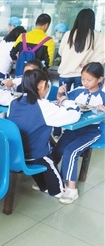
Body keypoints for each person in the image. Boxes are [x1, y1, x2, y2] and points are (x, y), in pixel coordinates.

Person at [7, 69, 80, 198]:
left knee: (45, 151)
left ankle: (43, 186)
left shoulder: (14, 103)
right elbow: (74, 116)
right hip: (35, 155)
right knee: (57, 184)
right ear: (41, 85)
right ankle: (54, 189)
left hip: (14, 154)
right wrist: (66, 102)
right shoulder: (44, 107)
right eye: (47, 85)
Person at [53, 62, 105, 204]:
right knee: (58, 148)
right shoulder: (78, 91)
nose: (85, 83)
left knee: (71, 151)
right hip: (74, 129)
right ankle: (50, 179)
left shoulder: (103, 95)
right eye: (83, 79)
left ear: (99, 79)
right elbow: (63, 102)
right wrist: (61, 94)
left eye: (89, 80)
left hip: (92, 131)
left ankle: (71, 189)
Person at [58, 9, 105, 92]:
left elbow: (61, 52)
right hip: (84, 76)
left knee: (62, 101)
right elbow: (102, 56)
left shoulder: (69, 34)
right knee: (80, 102)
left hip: (65, 73)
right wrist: (90, 64)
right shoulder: (98, 36)